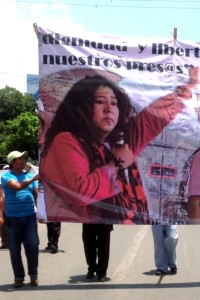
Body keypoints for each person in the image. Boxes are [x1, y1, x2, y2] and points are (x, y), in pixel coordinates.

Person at [39, 75, 190, 280]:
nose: (109, 108)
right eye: (100, 102)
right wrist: (115, 164)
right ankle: (93, 269)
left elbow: (151, 120)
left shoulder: (116, 142)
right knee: (91, 239)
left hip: (107, 216)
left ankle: (101, 271)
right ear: (81, 108)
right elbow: (80, 190)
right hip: (89, 216)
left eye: (114, 102)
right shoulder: (66, 141)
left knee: (103, 240)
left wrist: (186, 88)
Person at [1, 150, 40, 288]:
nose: (24, 161)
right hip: (12, 218)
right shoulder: (6, 177)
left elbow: (37, 195)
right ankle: (19, 277)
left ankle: (33, 275)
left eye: (24, 158)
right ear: (12, 162)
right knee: (14, 249)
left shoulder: (29, 175)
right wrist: (33, 179)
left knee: (32, 245)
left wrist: (42, 212)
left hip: (30, 217)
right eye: (20, 159)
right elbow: (17, 187)